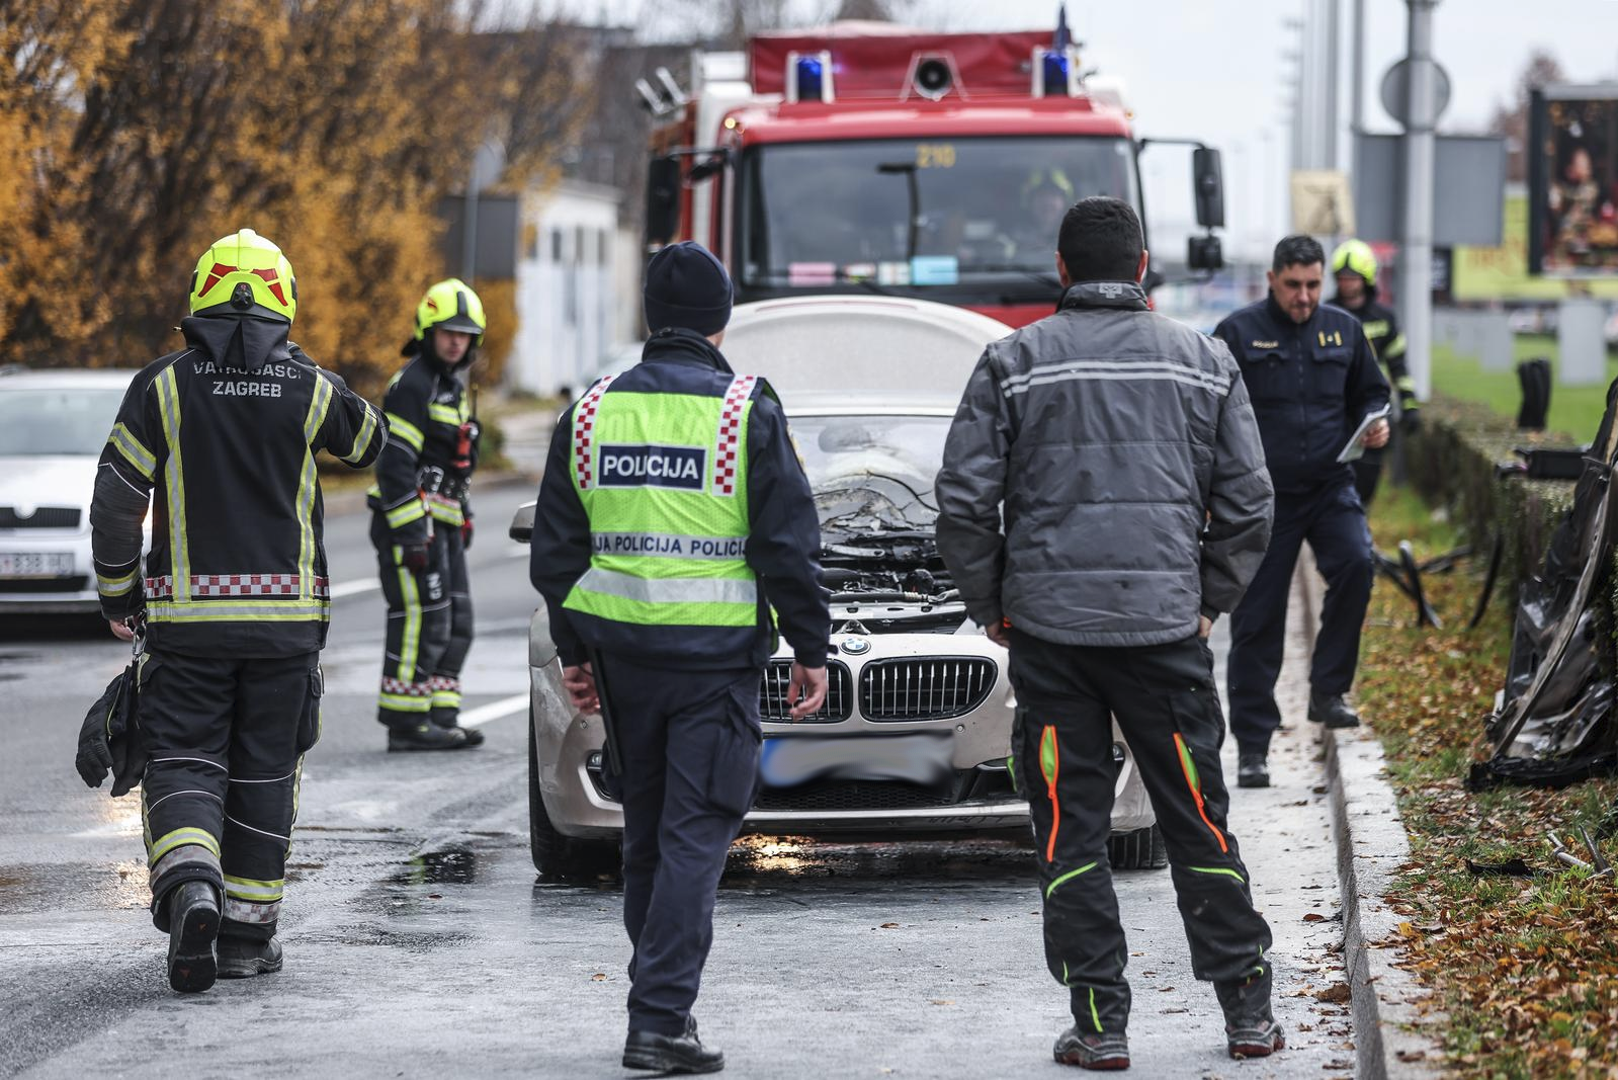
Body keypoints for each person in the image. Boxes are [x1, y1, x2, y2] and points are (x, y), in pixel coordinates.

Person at [935, 196, 1281, 1070]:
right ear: (1142, 266)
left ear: (1061, 270)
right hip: (1166, 639)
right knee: (1198, 821)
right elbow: (1250, 502)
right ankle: (1246, 1011)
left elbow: (965, 503)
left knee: (1071, 833)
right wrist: (1205, 600)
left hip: (1052, 647)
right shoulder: (1205, 363)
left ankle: (1100, 1025)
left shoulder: (1011, 364)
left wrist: (995, 605)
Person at [530, 241, 830, 1075]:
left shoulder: (590, 413)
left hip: (625, 665)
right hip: (711, 668)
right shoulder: (743, 410)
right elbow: (786, 546)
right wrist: (812, 649)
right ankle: (659, 1020)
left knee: (650, 840)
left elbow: (556, 554)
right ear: (721, 320)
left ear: (651, 320)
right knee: (696, 835)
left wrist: (576, 649)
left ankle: (659, 1005)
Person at [88, 228, 385, 992]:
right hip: (286, 633)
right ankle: (247, 941)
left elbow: (117, 501)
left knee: (184, 757)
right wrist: (309, 374)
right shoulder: (310, 387)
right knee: (265, 772)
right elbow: (369, 442)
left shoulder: (161, 386)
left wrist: (119, 590)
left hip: (188, 629)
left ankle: (191, 884)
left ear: (199, 299)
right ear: (284, 304)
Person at [1213, 236, 1391, 789]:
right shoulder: (1237, 334)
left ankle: (1327, 690)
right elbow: (1207, 408)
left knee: (1358, 564)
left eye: (1313, 285)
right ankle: (1253, 746)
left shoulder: (1344, 329)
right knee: (1257, 619)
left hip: (1330, 484)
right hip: (1263, 497)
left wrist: (1378, 423)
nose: (1305, 297)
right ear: (1272, 279)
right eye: (1293, 285)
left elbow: (1373, 393)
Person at [368, 279, 486, 750]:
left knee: (458, 622)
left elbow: (451, 464)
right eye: (447, 332)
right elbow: (395, 465)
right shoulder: (412, 385)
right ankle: (406, 724)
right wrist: (413, 534)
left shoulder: (451, 387)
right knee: (422, 619)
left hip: (445, 526)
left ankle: (441, 714)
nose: (456, 341)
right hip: (412, 528)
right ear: (427, 331)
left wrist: (464, 513)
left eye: (465, 333)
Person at [1329, 239, 1417, 504]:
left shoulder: (1384, 318)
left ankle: (1359, 524)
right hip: (1334, 410)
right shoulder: (1326, 313)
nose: (1347, 284)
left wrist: (1410, 406)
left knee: (1366, 481)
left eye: (1352, 278)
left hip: (1371, 412)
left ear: (1366, 278)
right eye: (1342, 278)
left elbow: (1398, 366)